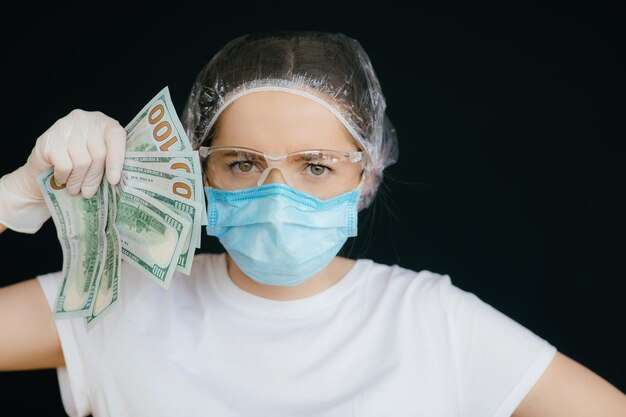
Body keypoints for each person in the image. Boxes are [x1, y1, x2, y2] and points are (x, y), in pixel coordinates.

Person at [0, 31, 624, 417]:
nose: (278, 196)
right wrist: (10, 197)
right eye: (242, 163)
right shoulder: (115, 301)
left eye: (317, 166)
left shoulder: (432, 323)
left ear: (367, 175)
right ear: (194, 171)